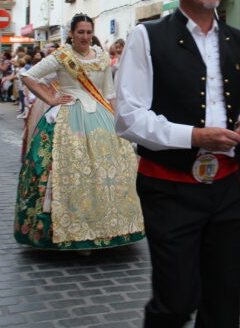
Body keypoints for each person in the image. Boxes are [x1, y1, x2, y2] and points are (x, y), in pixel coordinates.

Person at [115, 0, 240, 328]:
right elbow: (129, 118)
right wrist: (195, 137)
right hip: (169, 187)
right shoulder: (147, 37)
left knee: (223, 300)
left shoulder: (239, 40)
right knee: (176, 300)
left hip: (228, 188)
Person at [15, 13, 144, 251]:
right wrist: (50, 98)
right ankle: (73, 231)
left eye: (87, 32)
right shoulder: (62, 56)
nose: (84, 36)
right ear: (71, 33)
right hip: (69, 117)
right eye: (80, 32)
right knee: (72, 171)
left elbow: (109, 92)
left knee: (108, 172)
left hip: (101, 118)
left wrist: (119, 122)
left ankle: (108, 227)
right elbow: (27, 75)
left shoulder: (102, 58)